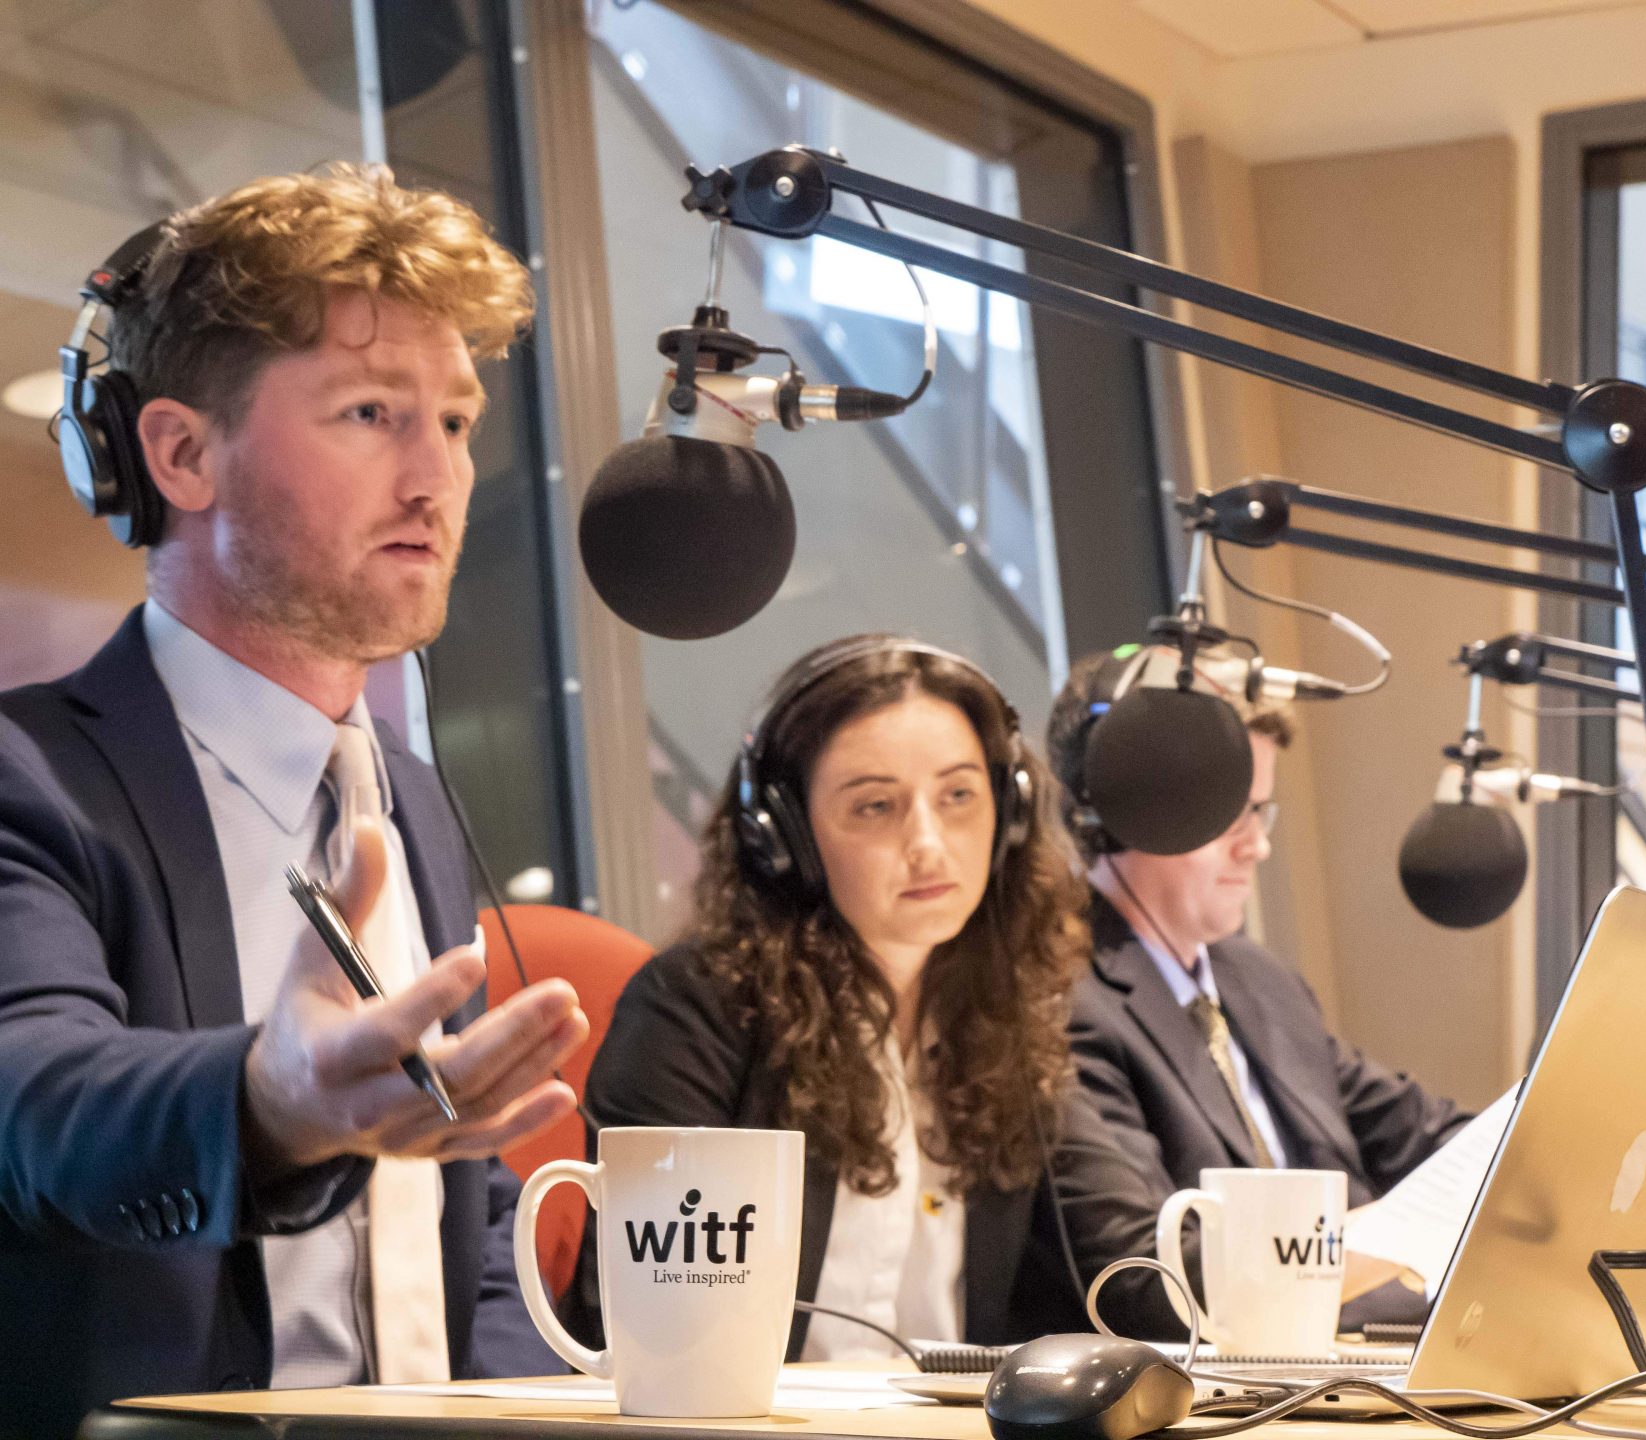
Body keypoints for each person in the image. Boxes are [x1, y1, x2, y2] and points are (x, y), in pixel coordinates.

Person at [0, 164, 590, 1437]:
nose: (436, 480)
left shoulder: (411, 802)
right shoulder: (25, 779)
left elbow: (467, 1225)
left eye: (458, 421)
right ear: (177, 453)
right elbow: (33, 1105)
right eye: (372, 412)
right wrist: (272, 1107)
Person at [568, 636, 1177, 1358]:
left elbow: (1135, 1272)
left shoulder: (1003, 1017)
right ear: (785, 837)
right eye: (875, 807)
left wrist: (1316, 1252)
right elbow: (640, 1319)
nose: (928, 843)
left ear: (1009, 813)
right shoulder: (697, 1009)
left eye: (958, 796)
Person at [1046, 648, 1470, 1319]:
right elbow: (1145, 1278)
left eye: (1261, 811)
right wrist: (1399, 1235)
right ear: (1122, 807)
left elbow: (1427, 1137)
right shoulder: (1061, 1003)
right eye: (1228, 812)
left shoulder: (1259, 980)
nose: (1257, 846)